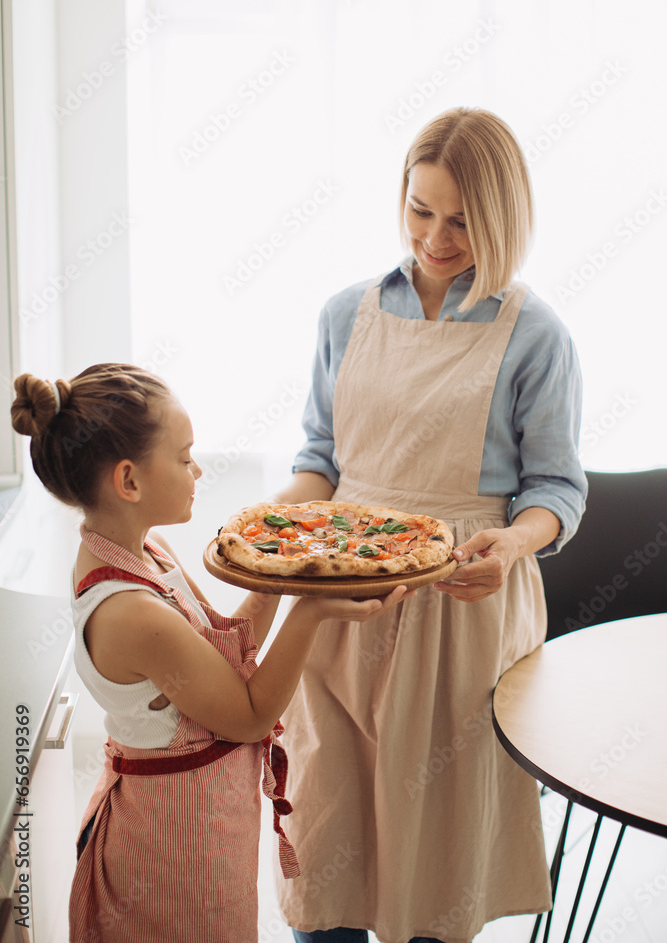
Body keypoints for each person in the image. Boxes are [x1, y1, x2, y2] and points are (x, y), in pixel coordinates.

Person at [273, 107, 587, 943]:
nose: (435, 237)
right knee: (325, 829)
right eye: (420, 210)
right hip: (339, 606)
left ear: (501, 217)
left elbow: (556, 489)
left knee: (433, 861)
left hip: (461, 607)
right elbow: (321, 460)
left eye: (460, 219)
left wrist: (515, 543)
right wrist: (273, 528)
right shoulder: (346, 314)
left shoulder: (535, 336)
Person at [10, 363, 410, 943]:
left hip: (207, 833)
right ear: (129, 481)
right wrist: (312, 610)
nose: (198, 470)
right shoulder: (130, 613)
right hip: (167, 852)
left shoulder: (147, 549)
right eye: (184, 456)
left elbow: (215, 667)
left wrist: (289, 572)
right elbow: (248, 716)